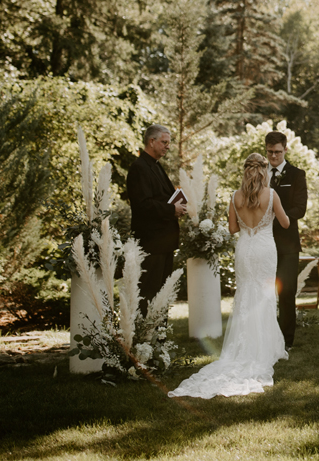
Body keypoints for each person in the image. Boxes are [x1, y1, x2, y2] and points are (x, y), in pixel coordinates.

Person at [170, 153, 290, 398]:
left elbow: (233, 228)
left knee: (245, 294)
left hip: (245, 249)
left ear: (245, 171)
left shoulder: (235, 196)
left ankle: (243, 347)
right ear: (264, 171)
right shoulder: (272, 195)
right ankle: (265, 348)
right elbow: (286, 223)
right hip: (265, 249)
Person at [127, 124, 187, 312]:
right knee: (149, 294)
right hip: (151, 243)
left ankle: (160, 329)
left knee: (162, 295)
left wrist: (177, 205)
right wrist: (171, 209)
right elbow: (142, 204)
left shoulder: (155, 165)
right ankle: (147, 330)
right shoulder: (139, 168)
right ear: (151, 141)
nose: (168, 146)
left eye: (168, 143)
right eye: (164, 142)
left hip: (164, 243)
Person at [266, 130, 308, 349]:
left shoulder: (297, 175)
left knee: (287, 292)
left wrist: (275, 218)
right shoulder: (259, 173)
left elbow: (300, 209)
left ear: (285, 149)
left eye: (278, 152)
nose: (273, 156)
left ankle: (285, 341)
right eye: (270, 152)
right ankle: (264, 336)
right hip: (262, 242)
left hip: (288, 244)